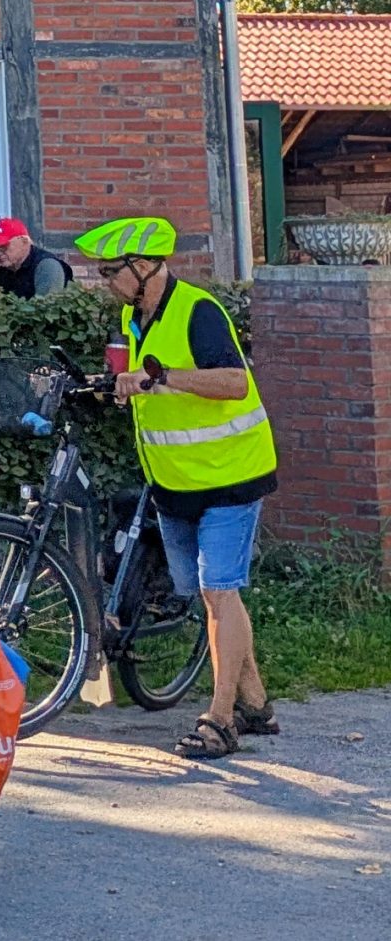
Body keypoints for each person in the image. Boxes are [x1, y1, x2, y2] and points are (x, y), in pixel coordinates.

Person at [76, 216, 279, 760]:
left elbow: (234, 382)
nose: (105, 281)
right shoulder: (133, 314)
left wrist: (162, 378)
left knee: (218, 592)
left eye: (111, 271)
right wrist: (120, 388)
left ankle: (220, 719)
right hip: (174, 481)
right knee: (208, 594)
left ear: (144, 268)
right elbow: (143, 382)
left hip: (230, 475)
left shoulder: (199, 311)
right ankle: (255, 702)